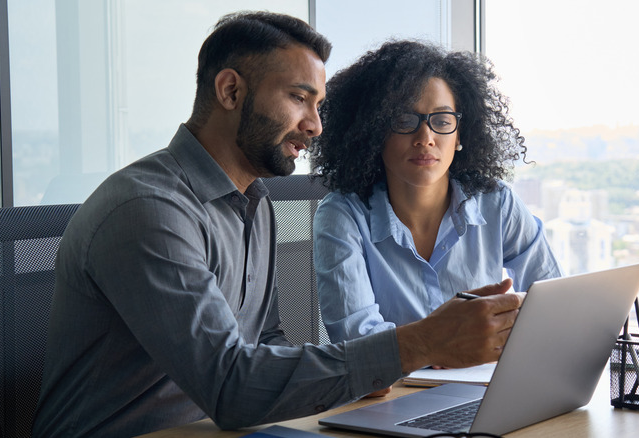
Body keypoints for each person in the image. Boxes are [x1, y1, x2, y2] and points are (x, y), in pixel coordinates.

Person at [32, 13, 524, 437]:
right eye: (298, 98)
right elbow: (230, 386)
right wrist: (420, 343)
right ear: (230, 91)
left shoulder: (254, 202)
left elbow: (264, 344)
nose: (316, 125)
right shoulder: (148, 210)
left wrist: (366, 370)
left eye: (318, 104)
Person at [310, 40, 562, 346]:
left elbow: (553, 302)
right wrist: (440, 346)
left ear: (459, 135)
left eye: (442, 121)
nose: (425, 138)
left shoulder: (497, 203)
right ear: (375, 132)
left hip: (487, 383)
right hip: (394, 391)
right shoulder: (342, 216)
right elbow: (358, 342)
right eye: (404, 120)